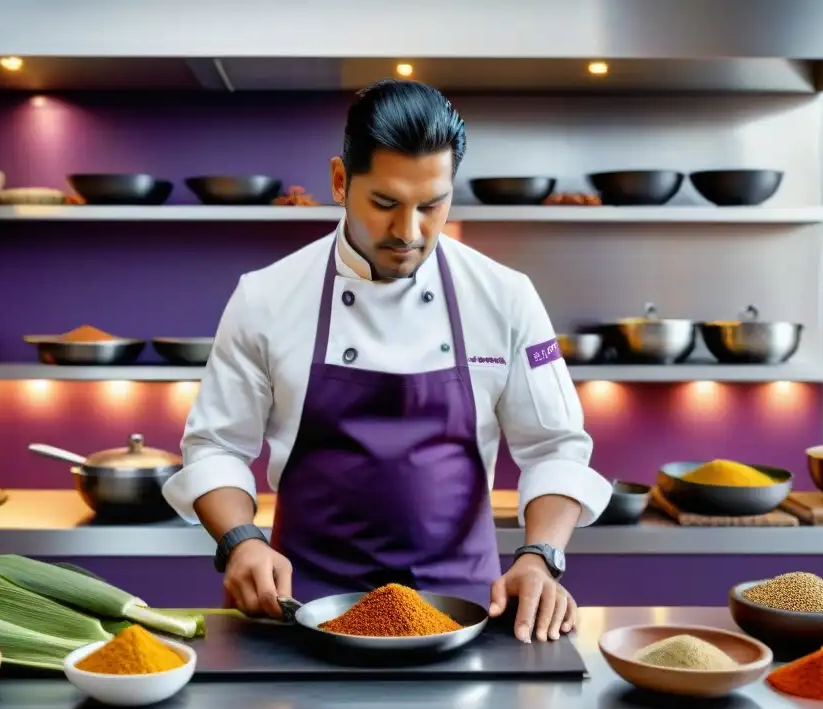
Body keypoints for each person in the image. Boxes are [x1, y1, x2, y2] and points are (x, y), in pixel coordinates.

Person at [163, 79, 612, 643]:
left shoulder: (505, 296)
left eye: (433, 205)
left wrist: (541, 557)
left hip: (465, 612)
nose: (410, 232)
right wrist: (240, 541)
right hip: (306, 607)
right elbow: (216, 447)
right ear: (339, 181)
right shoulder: (266, 298)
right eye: (384, 204)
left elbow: (554, 446)